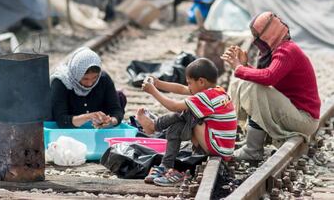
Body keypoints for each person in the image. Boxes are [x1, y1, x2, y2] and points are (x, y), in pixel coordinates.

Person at [221, 11, 320, 161]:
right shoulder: (282, 48)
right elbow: (266, 77)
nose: (255, 40)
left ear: (268, 35)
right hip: (295, 113)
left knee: (254, 88)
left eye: (256, 36)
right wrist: (244, 66)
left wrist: (239, 68)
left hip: (305, 120)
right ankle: (250, 139)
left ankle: (252, 150)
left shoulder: (287, 51)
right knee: (245, 82)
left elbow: (268, 77)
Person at [136, 58, 237, 186]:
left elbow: (174, 106)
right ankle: (166, 165)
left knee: (186, 111)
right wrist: (157, 83)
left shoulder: (204, 97)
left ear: (201, 81)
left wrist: (153, 91)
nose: (188, 86)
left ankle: (154, 125)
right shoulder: (216, 91)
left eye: (190, 83)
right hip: (220, 146)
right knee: (177, 124)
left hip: (216, 147)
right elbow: (181, 89)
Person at [50, 47, 126, 128]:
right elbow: (61, 120)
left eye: (94, 78)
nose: (89, 84)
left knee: (120, 96)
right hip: (67, 131)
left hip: (98, 130)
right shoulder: (61, 83)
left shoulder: (103, 79)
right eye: (85, 79)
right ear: (76, 74)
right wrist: (88, 117)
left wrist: (111, 121)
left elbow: (116, 110)